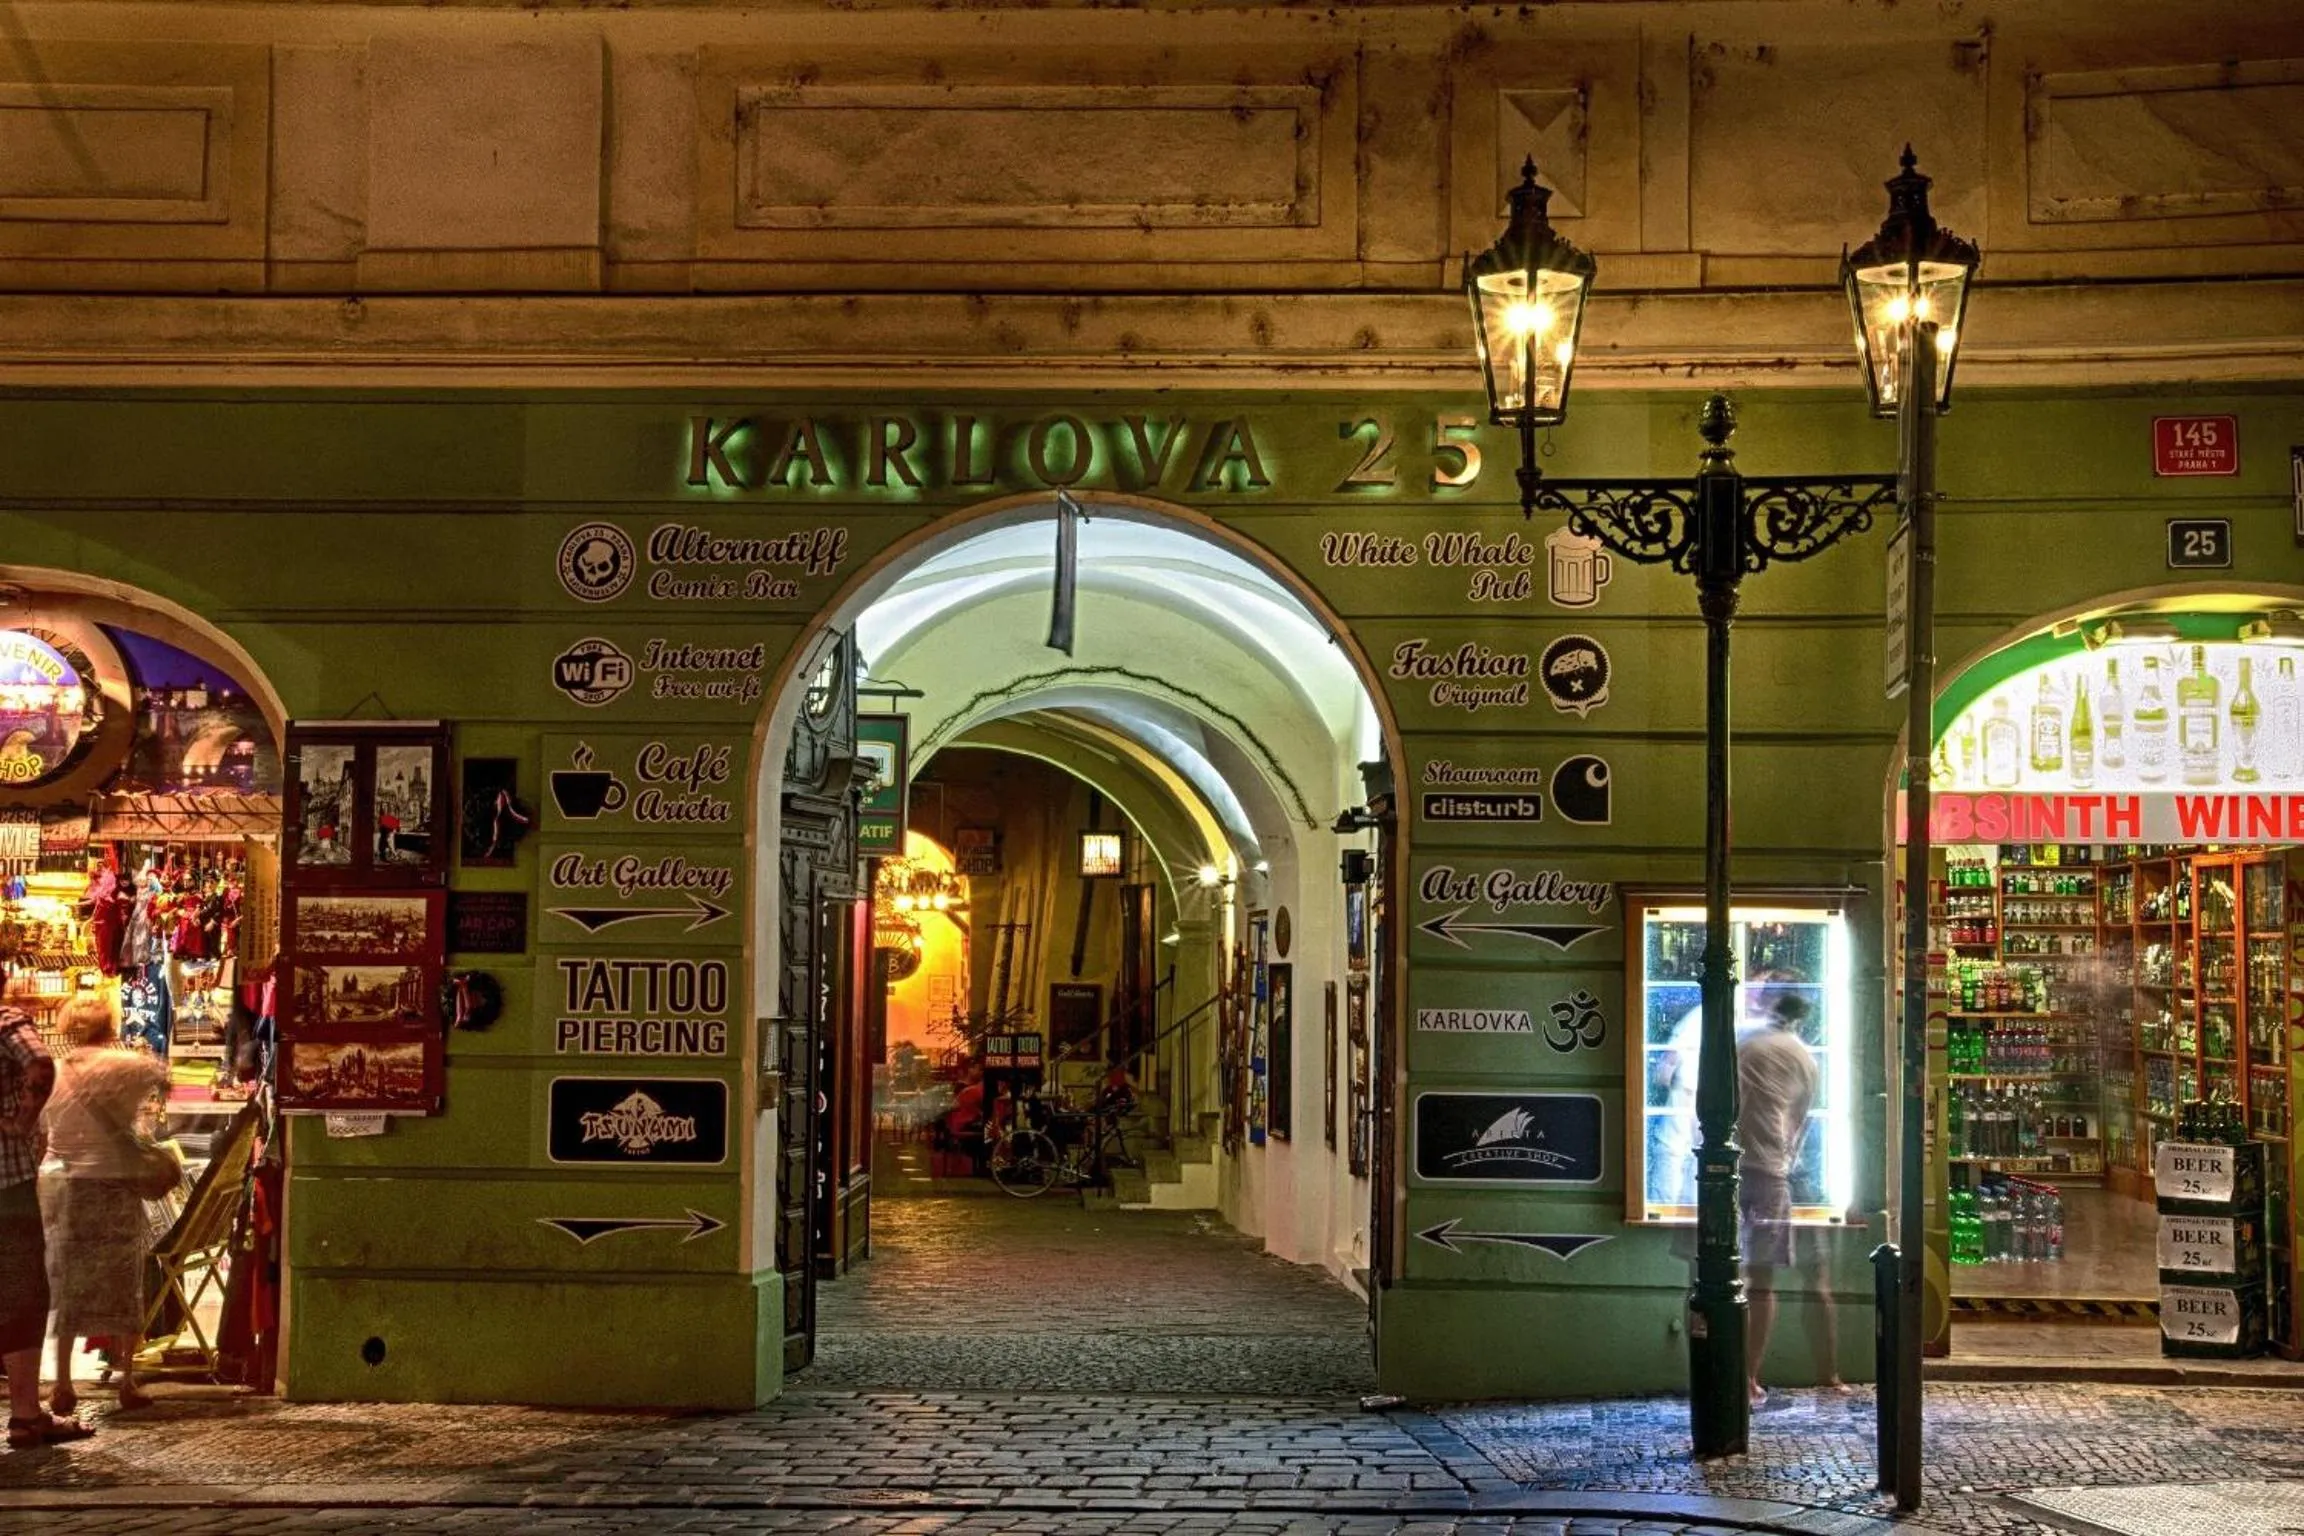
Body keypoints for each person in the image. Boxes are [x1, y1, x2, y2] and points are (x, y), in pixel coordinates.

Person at [42, 993, 170, 1416]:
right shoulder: (126, 1066)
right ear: (109, 1026)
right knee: (123, 1281)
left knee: (69, 1284)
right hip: (116, 1184)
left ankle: (62, 1384)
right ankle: (127, 1380)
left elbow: (44, 1129)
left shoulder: (54, 1073)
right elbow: (161, 1073)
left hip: (70, 1186)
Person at [3, 1004, 92, 1448]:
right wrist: (23, 1119)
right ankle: (24, 1414)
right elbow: (39, 1062)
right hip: (6, 1188)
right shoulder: (6, 1020)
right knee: (21, 1295)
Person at [1738, 990, 1821, 1406]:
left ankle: (1715, 1365)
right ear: (1801, 1021)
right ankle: (1749, 1377)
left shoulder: (1744, 1041)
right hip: (1771, 1172)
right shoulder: (1805, 1058)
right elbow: (1801, 1122)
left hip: (1728, 1170)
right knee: (1763, 1283)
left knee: (1715, 1276)